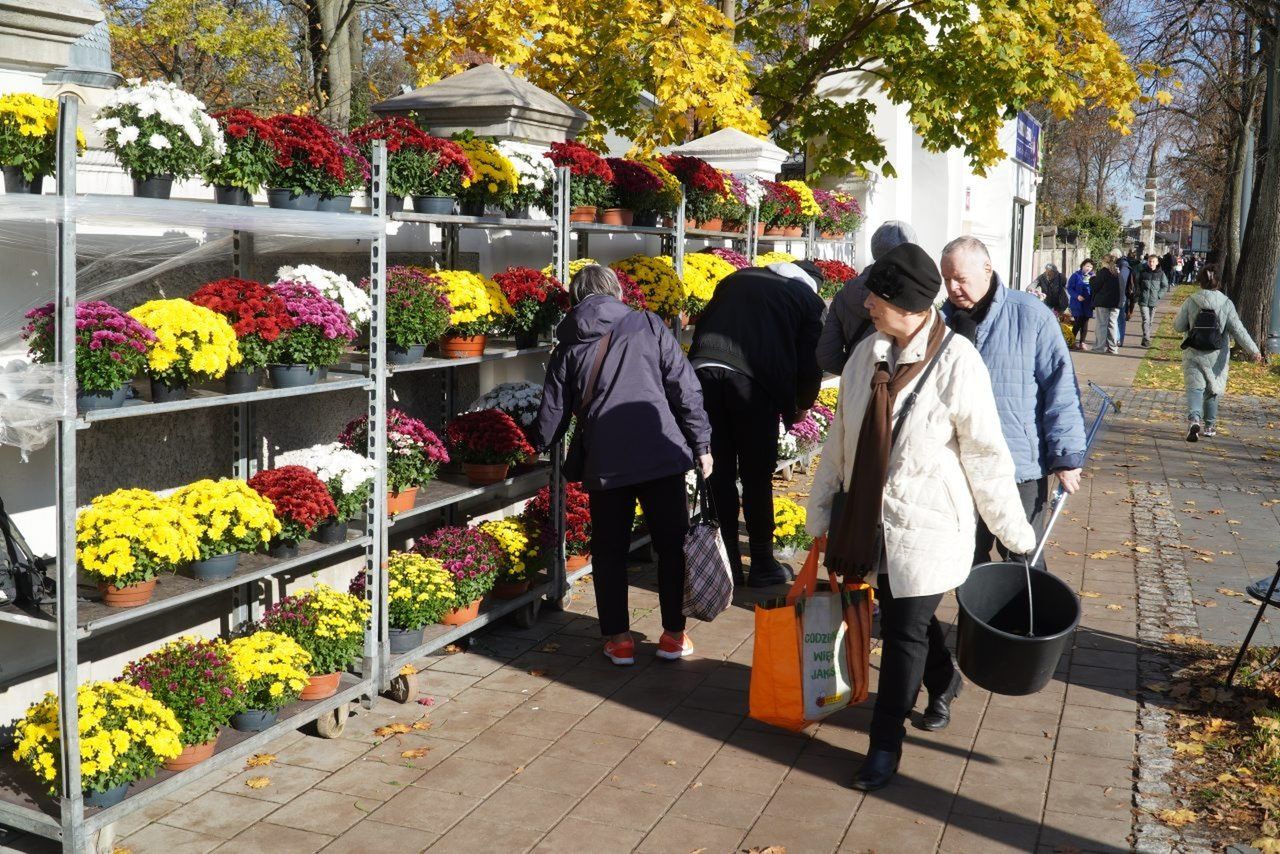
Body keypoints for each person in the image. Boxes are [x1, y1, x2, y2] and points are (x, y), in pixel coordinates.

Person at [806, 242, 1036, 792]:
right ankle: (943, 680)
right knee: (899, 608)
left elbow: (985, 455)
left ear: (908, 306)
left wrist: (1014, 533)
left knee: (905, 629)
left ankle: (884, 746)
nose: (866, 306)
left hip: (928, 522)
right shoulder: (866, 356)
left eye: (876, 300)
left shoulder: (959, 362)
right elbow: (842, 439)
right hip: (868, 519)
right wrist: (819, 515)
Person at [531, 265, 712, 665]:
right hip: (661, 456)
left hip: (605, 463)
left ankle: (619, 640)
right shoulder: (648, 324)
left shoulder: (568, 343)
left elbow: (553, 412)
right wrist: (701, 443)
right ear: (616, 293)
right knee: (671, 547)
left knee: (610, 551)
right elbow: (685, 387)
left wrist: (531, 447)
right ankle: (673, 636)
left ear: (578, 299)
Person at [940, 236, 1086, 571]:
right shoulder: (942, 324)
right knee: (964, 560)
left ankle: (1032, 623)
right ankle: (973, 625)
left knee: (1022, 560)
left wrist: (1066, 455)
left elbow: (1060, 387)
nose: (952, 287)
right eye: (946, 279)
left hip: (1018, 465)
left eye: (960, 278)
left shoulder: (1030, 314)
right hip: (959, 465)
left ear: (987, 269)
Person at [689, 260, 825, 587]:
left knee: (717, 470)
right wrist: (802, 405)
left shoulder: (738, 278)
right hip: (752, 382)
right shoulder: (808, 300)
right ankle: (763, 564)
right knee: (756, 473)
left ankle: (729, 565)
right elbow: (811, 363)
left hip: (702, 370)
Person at [1173, 265, 1263, 442]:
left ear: (1200, 281)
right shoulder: (1226, 303)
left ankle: (1194, 420)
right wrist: (1254, 350)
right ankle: (1210, 426)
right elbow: (1238, 330)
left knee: (1195, 388)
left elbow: (1178, 326)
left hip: (1193, 352)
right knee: (1213, 389)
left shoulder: (1191, 300)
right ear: (1219, 282)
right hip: (1217, 356)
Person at [817, 221, 918, 375]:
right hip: (897, 385)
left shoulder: (845, 292)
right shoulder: (912, 297)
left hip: (856, 387)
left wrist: (856, 373)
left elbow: (827, 356)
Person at [1090, 255, 1122, 354]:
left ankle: (1099, 347)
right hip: (1115, 302)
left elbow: (1095, 286)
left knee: (1101, 325)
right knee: (1112, 324)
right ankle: (1113, 348)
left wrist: (1092, 279)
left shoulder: (1103, 272)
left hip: (1103, 302)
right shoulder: (1117, 273)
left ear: (1104, 262)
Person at [1136, 254, 1168, 347]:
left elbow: (1165, 286)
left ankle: (1145, 337)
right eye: (1150, 261)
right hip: (1143, 300)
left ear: (1157, 262)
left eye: (1153, 261)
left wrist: (1159, 295)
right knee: (1146, 320)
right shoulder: (1143, 272)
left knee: (1150, 321)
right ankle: (1147, 339)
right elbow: (1137, 284)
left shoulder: (1161, 273)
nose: (1151, 263)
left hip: (1154, 301)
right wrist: (1139, 294)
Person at [1066, 259, 1095, 351]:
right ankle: (1072, 341)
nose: (1088, 268)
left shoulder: (1093, 277)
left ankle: (1082, 342)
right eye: (1087, 266)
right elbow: (1069, 288)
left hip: (1087, 303)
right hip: (1077, 303)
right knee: (1078, 322)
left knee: (1085, 322)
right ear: (1082, 265)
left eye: (1090, 267)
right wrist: (1077, 296)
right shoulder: (1075, 276)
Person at [1117, 253, 1134, 346]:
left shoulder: (1123, 266)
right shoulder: (1124, 265)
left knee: (1119, 319)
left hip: (1122, 297)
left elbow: (1121, 284)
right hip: (1122, 297)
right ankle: (1118, 339)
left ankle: (1119, 340)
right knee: (1118, 319)